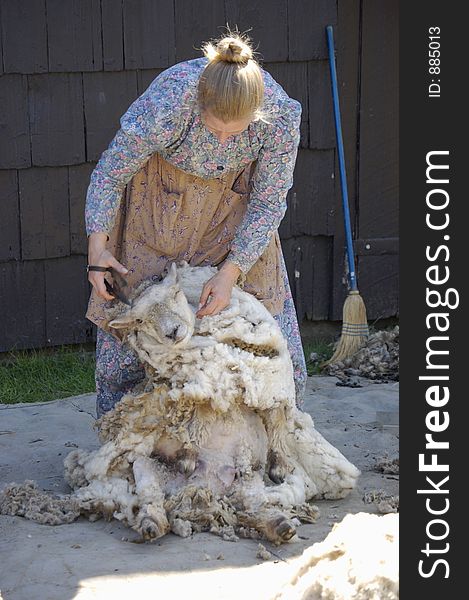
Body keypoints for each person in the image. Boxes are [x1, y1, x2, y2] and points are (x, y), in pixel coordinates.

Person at [85, 31, 307, 418]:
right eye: (214, 127)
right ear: (199, 103)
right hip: (158, 204)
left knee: (267, 331)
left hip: (232, 207)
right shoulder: (170, 102)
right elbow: (110, 174)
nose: (222, 140)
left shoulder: (280, 117)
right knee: (138, 325)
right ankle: (124, 436)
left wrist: (230, 273)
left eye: (234, 132)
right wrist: (97, 249)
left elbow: (270, 199)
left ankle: (267, 433)